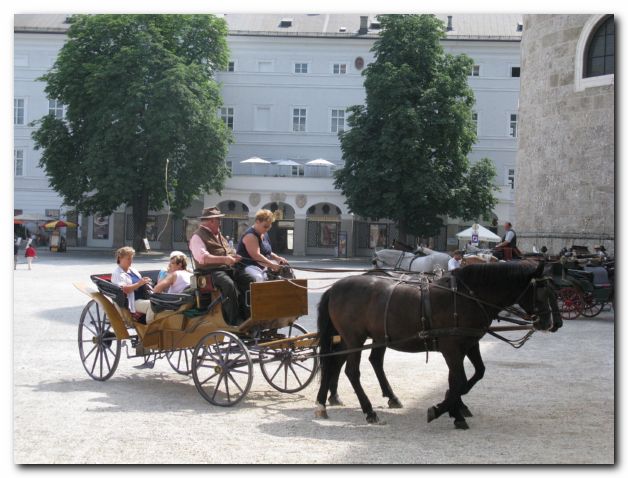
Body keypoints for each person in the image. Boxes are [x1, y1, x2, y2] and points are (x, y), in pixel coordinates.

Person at [189, 206, 253, 325]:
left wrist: (234, 257)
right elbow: (203, 258)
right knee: (228, 284)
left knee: (250, 280)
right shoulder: (197, 236)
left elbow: (229, 251)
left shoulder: (219, 235)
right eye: (219, 219)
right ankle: (233, 320)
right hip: (209, 273)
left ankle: (248, 315)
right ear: (212, 220)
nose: (220, 222)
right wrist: (225, 259)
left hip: (227, 269)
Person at [236, 209, 288, 282]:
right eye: (265, 226)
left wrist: (278, 258)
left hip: (261, 266)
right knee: (259, 278)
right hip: (247, 266)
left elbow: (267, 252)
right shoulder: (251, 236)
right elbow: (256, 256)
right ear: (257, 221)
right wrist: (272, 265)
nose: (267, 229)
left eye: (269, 226)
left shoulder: (264, 233)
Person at [111, 246, 154, 323]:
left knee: (160, 303)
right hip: (132, 301)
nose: (131, 261)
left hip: (143, 297)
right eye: (128, 258)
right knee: (152, 305)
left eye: (131, 258)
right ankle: (149, 329)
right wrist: (139, 283)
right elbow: (124, 289)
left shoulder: (133, 270)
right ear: (120, 258)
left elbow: (139, 283)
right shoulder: (117, 273)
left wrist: (144, 281)